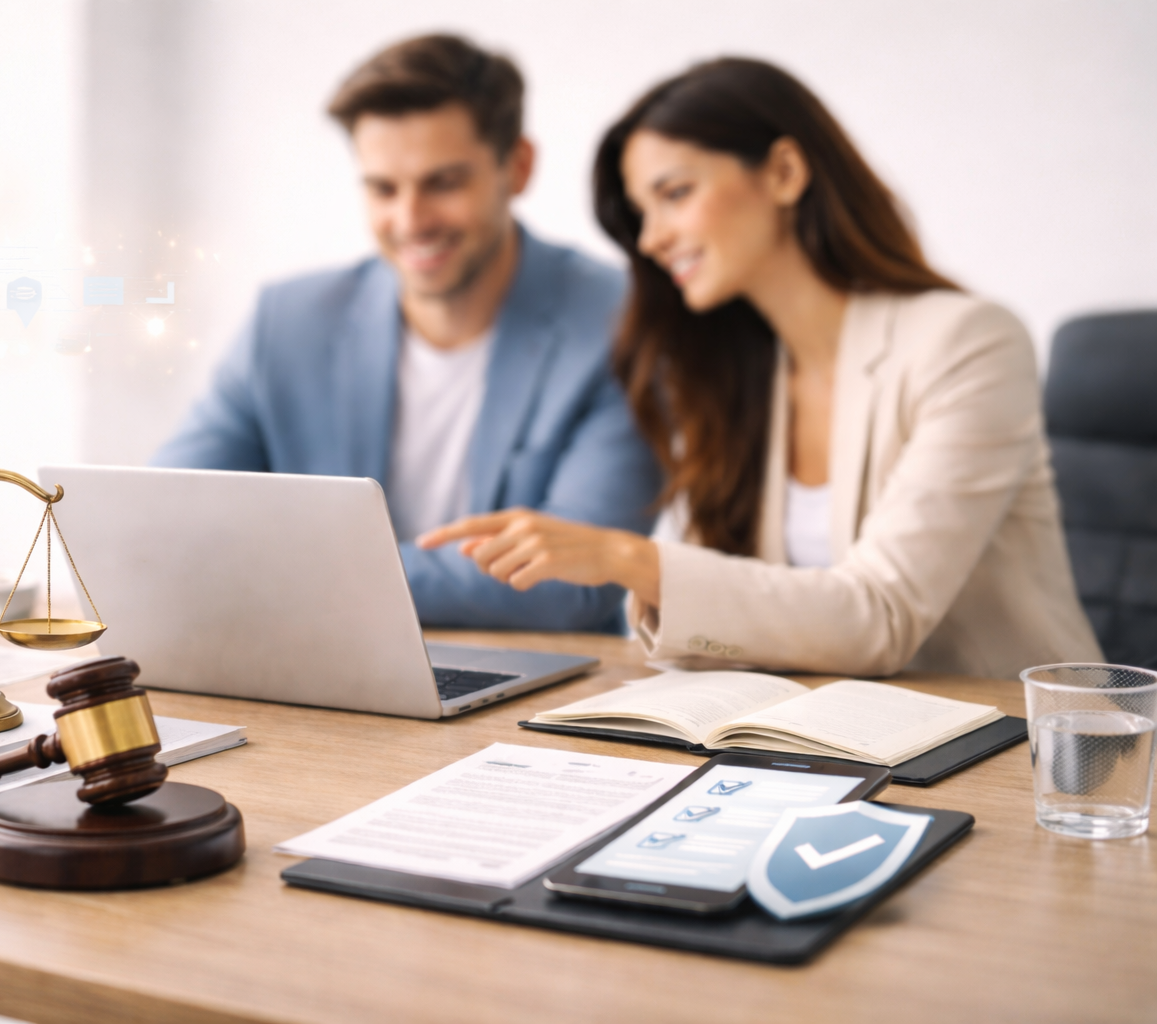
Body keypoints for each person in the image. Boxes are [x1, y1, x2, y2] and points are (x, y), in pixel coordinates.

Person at [420, 57, 1102, 679]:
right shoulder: (729, 375)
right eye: (641, 212)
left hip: (1028, 759)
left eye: (675, 193)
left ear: (783, 172)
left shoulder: (968, 342)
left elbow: (881, 618)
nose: (652, 238)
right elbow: (719, 620)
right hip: (831, 745)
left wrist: (627, 559)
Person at [151, 35, 660, 632]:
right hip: (317, 677)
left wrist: (295, 576)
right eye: (383, 188)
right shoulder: (287, 323)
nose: (411, 220)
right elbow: (168, 523)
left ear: (517, 167)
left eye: (443, 183)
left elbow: (574, 583)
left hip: (539, 695)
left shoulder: (622, 322)